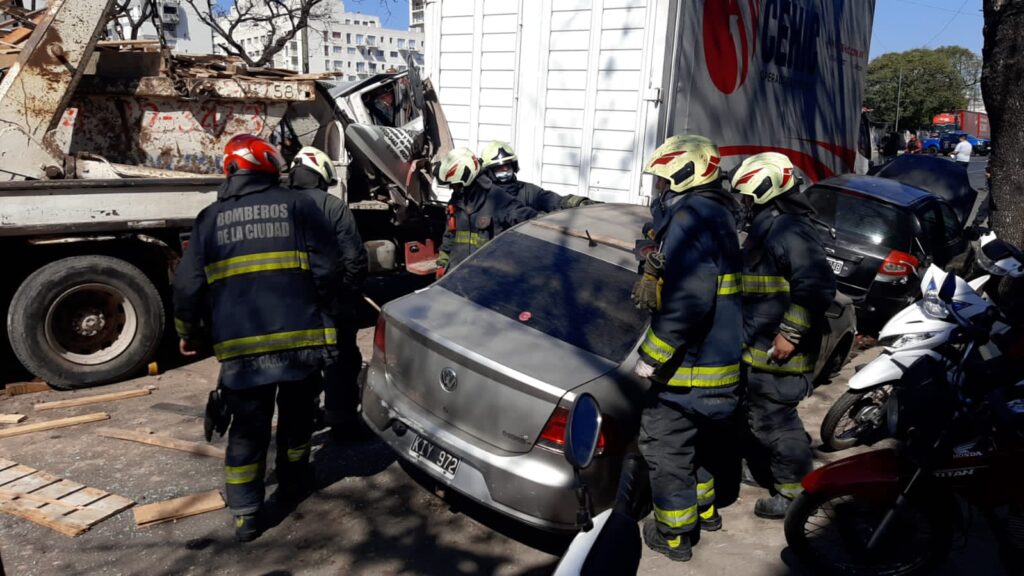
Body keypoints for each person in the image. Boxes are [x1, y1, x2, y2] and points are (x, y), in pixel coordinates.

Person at [173, 134, 341, 542]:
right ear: (269, 167)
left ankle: (246, 513)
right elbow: (330, 267)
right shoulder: (301, 206)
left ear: (231, 169)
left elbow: (188, 286)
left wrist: (187, 332)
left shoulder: (210, 219)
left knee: (248, 428)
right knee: (298, 419)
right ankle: (295, 481)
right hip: (300, 342)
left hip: (242, 348)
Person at [630, 134, 743, 562]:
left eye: (662, 179)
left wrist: (651, 357)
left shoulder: (693, 218)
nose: (657, 187)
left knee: (666, 448)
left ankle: (674, 536)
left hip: (689, 369)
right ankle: (706, 511)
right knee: (700, 446)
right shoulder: (714, 214)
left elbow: (689, 301)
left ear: (683, 174)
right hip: (719, 365)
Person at [730, 152, 836, 519]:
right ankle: (769, 472)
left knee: (776, 422)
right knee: (760, 415)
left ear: (765, 190)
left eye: (747, 195)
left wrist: (789, 334)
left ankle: (794, 494)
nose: (743, 203)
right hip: (760, 344)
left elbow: (818, 286)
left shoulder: (788, 229)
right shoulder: (770, 225)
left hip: (779, 350)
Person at [288, 146, 369, 440]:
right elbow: (355, 259)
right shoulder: (334, 207)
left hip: (290, 307)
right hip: (329, 304)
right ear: (320, 174)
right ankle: (342, 423)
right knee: (339, 360)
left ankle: (305, 418)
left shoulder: (279, 205)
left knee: (301, 363)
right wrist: (348, 295)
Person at [434, 147, 538, 278]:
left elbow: (525, 218)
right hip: (456, 274)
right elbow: (450, 233)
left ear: (465, 178)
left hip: (486, 278)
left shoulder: (496, 198)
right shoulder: (456, 201)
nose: (452, 188)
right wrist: (443, 259)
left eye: (454, 184)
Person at [479, 140, 596, 212]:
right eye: (499, 167)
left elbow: (553, 200)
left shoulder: (526, 191)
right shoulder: (480, 196)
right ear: (489, 171)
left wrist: (578, 202)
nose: (505, 169)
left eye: (508, 165)